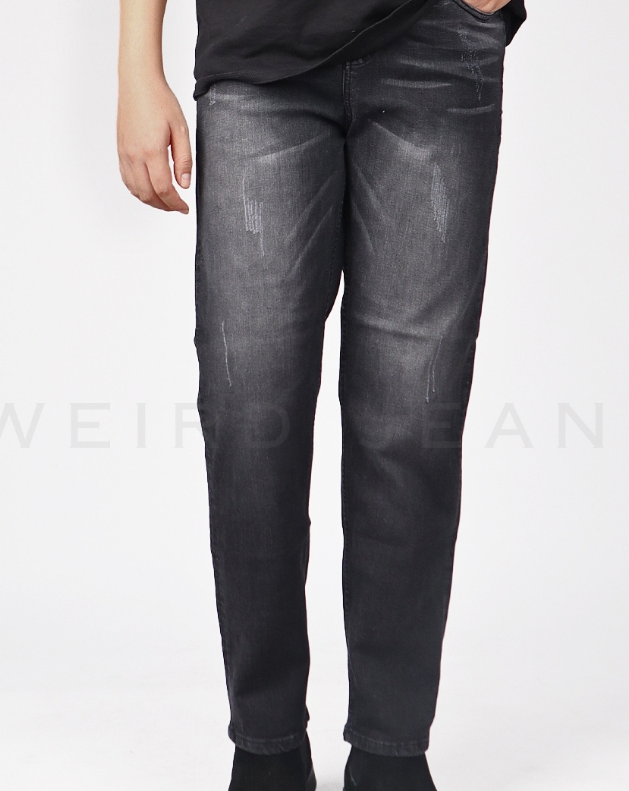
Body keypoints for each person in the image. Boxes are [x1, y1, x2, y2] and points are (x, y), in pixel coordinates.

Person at [117, 0, 526, 788]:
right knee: (249, 417)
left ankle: (390, 749)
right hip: (255, 52)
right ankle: (266, 744)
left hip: (436, 45)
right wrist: (138, 62)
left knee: (408, 420)